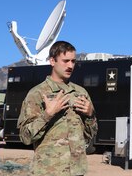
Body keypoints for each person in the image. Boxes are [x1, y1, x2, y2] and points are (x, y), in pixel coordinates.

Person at [18, 40, 98, 175]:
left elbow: (90, 135)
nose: (70, 66)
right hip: (48, 171)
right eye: (65, 61)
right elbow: (25, 137)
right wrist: (47, 115)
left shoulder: (81, 93)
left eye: (73, 61)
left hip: (77, 171)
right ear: (52, 61)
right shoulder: (37, 94)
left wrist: (90, 115)